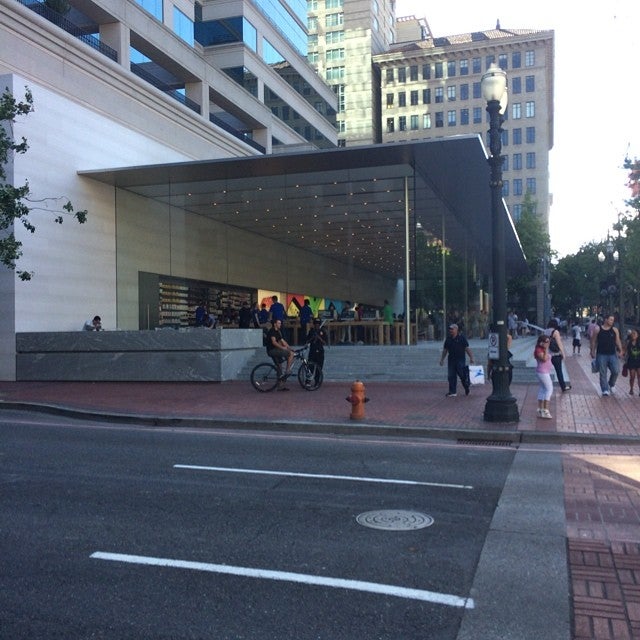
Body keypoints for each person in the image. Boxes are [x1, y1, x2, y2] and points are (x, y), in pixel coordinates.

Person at [590, 314, 625, 396]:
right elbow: (593, 341)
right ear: (606, 320)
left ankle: (611, 384)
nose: (612, 321)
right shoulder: (598, 329)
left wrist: (621, 350)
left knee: (616, 371)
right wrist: (592, 351)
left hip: (612, 354)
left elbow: (617, 341)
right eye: (610, 319)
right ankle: (604, 389)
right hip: (601, 354)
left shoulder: (615, 330)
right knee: (603, 372)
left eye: (613, 320)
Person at [439, 323, 474, 397]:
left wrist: (471, 357)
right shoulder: (448, 339)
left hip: (460, 360)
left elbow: (467, 348)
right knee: (451, 376)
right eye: (450, 329)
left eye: (452, 329)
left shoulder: (462, 338)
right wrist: (442, 359)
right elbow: (445, 350)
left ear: (456, 329)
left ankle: (466, 388)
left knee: (462, 375)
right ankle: (452, 392)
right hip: (451, 360)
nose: (450, 330)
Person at [266, 318, 295, 390]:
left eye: (280, 323)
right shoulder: (272, 331)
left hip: (276, 350)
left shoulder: (278, 331)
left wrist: (290, 347)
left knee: (279, 366)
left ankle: (280, 386)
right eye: (279, 323)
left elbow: (283, 341)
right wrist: (283, 348)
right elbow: (274, 342)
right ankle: (287, 370)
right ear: (275, 324)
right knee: (290, 354)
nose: (280, 324)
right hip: (272, 350)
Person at [544, 318, 571, 392]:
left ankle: (546, 386)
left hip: (547, 355)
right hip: (556, 355)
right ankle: (563, 387)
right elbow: (559, 344)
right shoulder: (555, 332)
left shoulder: (545, 331)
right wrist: (563, 353)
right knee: (559, 371)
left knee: (547, 371)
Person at [534, 334, 553, 419]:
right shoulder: (539, 350)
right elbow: (544, 359)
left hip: (544, 372)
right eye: (546, 342)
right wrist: (545, 349)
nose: (548, 344)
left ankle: (540, 409)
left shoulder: (542, 349)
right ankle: (545, 410)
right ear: (541, 342)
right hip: (543, 372)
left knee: (543, 389)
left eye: (548, 342)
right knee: (549, 389)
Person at [306, 318, 327, 382]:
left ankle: (317, 381)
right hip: (312, 351)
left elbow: (325, 342)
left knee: (319, 367)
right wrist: (313, 337)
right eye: (315, 324)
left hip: (320, 351)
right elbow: (307, 341)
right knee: (310, 367)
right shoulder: (311, 331)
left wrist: (319, 337)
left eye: (318, 324)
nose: (317, 325)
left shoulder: (322, 331)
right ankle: (308, 381)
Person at [625, 329, 640, 395]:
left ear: (638, 335)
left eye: (635, 333)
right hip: (631, 361)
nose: (633, 335)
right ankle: (631, 389)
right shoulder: (628, 342)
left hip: (639, 361)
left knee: (639, 376)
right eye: (632, 333)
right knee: (632, 376)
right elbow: (625, 350)